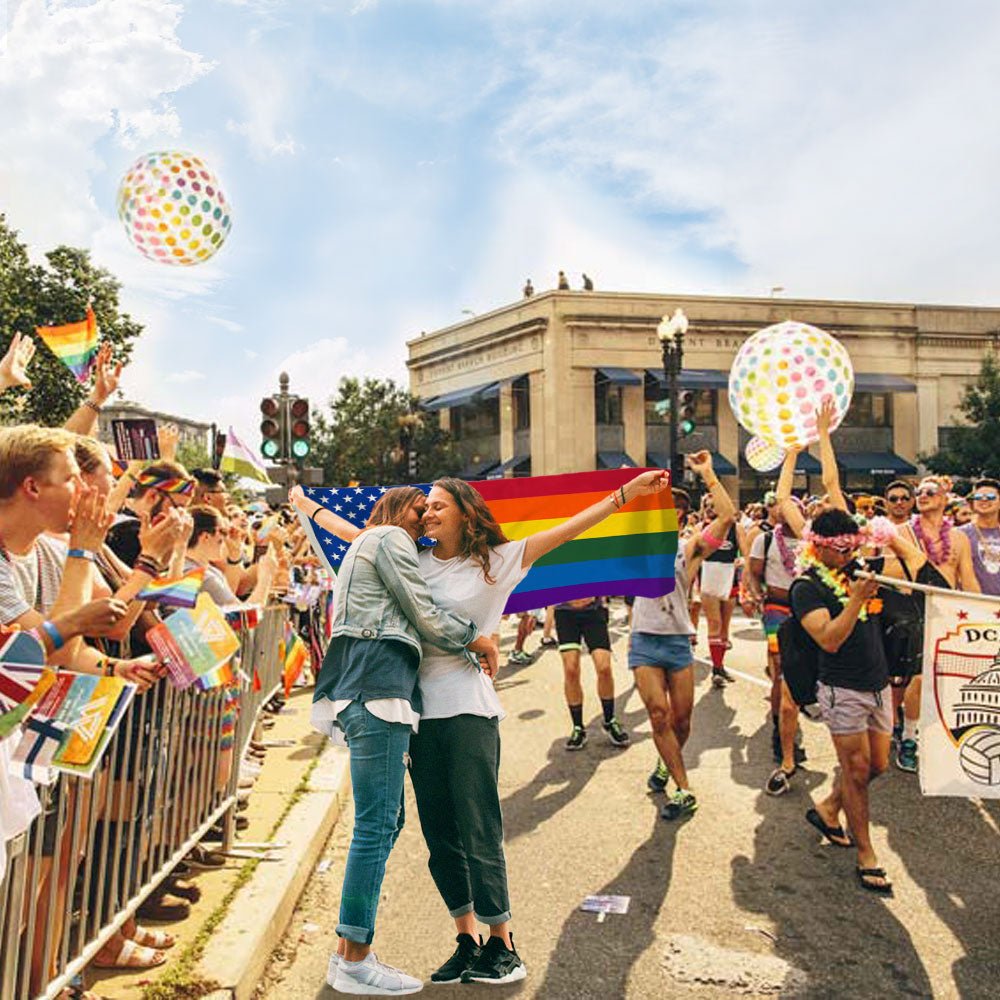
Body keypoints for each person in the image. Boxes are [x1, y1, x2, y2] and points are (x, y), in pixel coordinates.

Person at [296, 486, 497, 996]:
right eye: (419, 509)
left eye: (432, 511)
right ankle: (356, 959)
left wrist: (305, 504)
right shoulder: (389, 538)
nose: (424, 520)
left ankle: (348, 951)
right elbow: (423, 609)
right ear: (395, 510)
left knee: (386, 819)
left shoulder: (373, 540)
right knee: (376, 823)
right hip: (377, 683)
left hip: (370, 685)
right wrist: (478, 638)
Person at [792, 509, 895, 895]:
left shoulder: (860, 570)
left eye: (854, 546)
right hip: (842, 687)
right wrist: (854, 600)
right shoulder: (807, 587)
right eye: (840, 548)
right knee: (855, 771)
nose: (848, 555)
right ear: (817, 547)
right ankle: (866, 853)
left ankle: (829, 808)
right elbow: (829, 639)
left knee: (878, 766)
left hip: (878, 683)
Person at [631, 452, 735, 819]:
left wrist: (707, 473)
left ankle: (665, 763)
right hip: (644, 640)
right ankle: (683, 787)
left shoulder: (688, 548)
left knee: (681, 721)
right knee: (659, 715)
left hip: (677, 641)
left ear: (676, 514)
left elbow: (727, 517)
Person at [896, 475, 979, 772]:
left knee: (945, 680)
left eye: (930, 491)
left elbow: (967, 578)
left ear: (945, 499)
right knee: (918, 678)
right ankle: (908, 738)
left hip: (948, 614)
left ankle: (930, 733)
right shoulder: (902, 532)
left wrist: (982, 613)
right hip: (913, 613)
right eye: (919, 492)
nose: (922, 495)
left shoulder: (958, 538)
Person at [554, 596, 629, 749]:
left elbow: (607, 575)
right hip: (565, 614)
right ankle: (578, 727)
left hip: (594, 612)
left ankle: (609, 720)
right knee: (571, 670)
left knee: (604, 668)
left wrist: (597, 593)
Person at [959, 478, 1000, 595]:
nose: (984, 500)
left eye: (991, 497)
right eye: (978, 497)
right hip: (973, 605)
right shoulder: (960, 534)